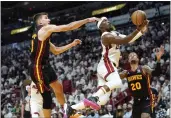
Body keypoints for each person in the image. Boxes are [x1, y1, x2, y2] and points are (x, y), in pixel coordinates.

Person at [64, 16, 149, 117]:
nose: (107, 21)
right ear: (101, 27)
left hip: (106, 66)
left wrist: (142, 30)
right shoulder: (105, 36)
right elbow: (126, 39)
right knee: (117, 82)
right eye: (104, 21)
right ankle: (93, 97)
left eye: (107, 20)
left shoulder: (114, 33)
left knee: (103, 100)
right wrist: (139, 28)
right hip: (107, 63)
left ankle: (73, 108)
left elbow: (130, 39)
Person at [29, 12, 98, 117]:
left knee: (58, 87)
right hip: (37, 69)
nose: (49, 20)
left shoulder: (42, 34)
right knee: (47, 98)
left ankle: (66, 110)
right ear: (40, 22)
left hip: (46, 66)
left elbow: (56, 51)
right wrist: (87, 20)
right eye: (46, 18)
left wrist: (72, 44)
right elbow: (68, 27)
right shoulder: (44, 29)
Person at [119, 46, 164, 118]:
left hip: (147, 98)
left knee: (144, 116)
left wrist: (158, 59)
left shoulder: (144, 68)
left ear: (138, 59)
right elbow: (114, 77)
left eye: (134, 55)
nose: (132, 56)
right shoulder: (125, 73)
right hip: (136, 100)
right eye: (130, 56)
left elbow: (157, 73)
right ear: (128, 60)